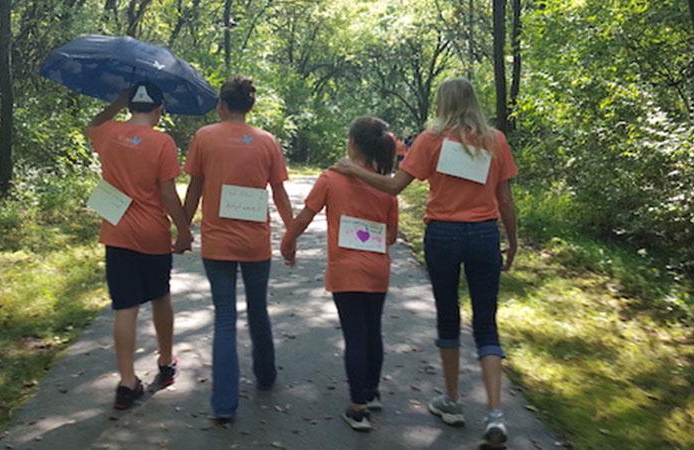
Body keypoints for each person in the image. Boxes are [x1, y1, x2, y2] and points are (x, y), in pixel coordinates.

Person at [333, 77, 517, 448]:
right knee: (487, 324)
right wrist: (512, 239)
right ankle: (495, 414)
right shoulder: (494, 140)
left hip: (444, 236)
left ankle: (452, 400)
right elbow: (505, 197)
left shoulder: (432, 140)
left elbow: (394, 186)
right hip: (483, 235)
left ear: (443, 104)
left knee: (448, 315)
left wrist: (352, 170)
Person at [183, 76, 294, 423]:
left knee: (225, 319)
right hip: (255, 243)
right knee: (258, 309)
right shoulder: (267, 142)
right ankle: (265, 374)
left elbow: (195, 188)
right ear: (249, 107)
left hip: (216, 243)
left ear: (222, 105)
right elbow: (279, 193)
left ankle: (223, 404)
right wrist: (290, 235)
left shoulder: (204, 138)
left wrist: (183, 229)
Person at [281, 116, 398, 431]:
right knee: (372, 330)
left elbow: (306, 215)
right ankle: (371, 392)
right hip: (377, 270)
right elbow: (391, 236)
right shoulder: (387, 185)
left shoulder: (331, 179)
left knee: (355, 334)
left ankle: (358, 408)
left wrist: (288, 241)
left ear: (352, 143)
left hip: (346, 269)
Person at [85, 82, 193, 410]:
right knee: (160, 295)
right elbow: (167, 194)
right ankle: (165, 361)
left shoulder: (109, 133)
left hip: (116, 232)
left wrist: (116, 102)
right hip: (152, 235)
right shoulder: (162, 141)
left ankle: (127, 383)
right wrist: (184, 231)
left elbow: (89, 127)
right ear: (159, 110)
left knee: (125, 307)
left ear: (131, 106)